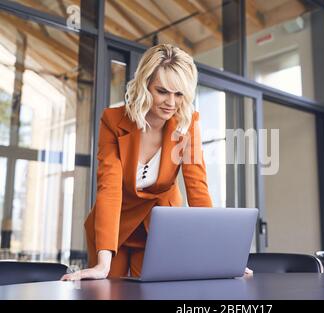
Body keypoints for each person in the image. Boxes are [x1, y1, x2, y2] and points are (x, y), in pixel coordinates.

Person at [61, 44, 252, 280]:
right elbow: (109, 188)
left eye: (179, 94)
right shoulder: (113, 121)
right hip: (114, 225)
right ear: (145, 85)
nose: (171, 103)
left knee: (155, 293)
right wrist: (102, 265)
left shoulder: (187, 123)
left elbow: (197, 188)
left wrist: (219, 255)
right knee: (107, 289)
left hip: (160, 227)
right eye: (162, 91)